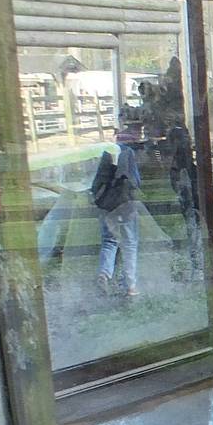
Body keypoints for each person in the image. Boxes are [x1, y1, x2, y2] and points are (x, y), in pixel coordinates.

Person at [97, 126, 143, 297]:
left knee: (109, 241)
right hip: (125, 204)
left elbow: (98, 180)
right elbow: (135, 180)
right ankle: (130, 285)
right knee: (130, 243)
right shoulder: (129, 153)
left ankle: (104, 272)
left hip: (107, 205)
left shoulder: (106, 152)